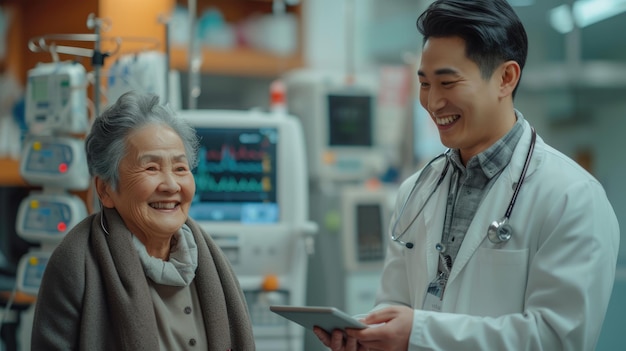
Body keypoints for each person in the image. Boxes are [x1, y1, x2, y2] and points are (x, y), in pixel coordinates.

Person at [313, 0, 620, 350]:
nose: (432, 102)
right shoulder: (417, 191)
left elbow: (557, 338)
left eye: (447, 82)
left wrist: (418, 334)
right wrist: (370, 336)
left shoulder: (572, 197)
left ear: (506, 78)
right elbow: (396, 305)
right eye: (425, 83)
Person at [31, 91, 256, 350]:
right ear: (106, 190)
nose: (171, 185)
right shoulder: (76, 264)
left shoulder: (211, 261)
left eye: (181, 168)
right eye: (151, 168)